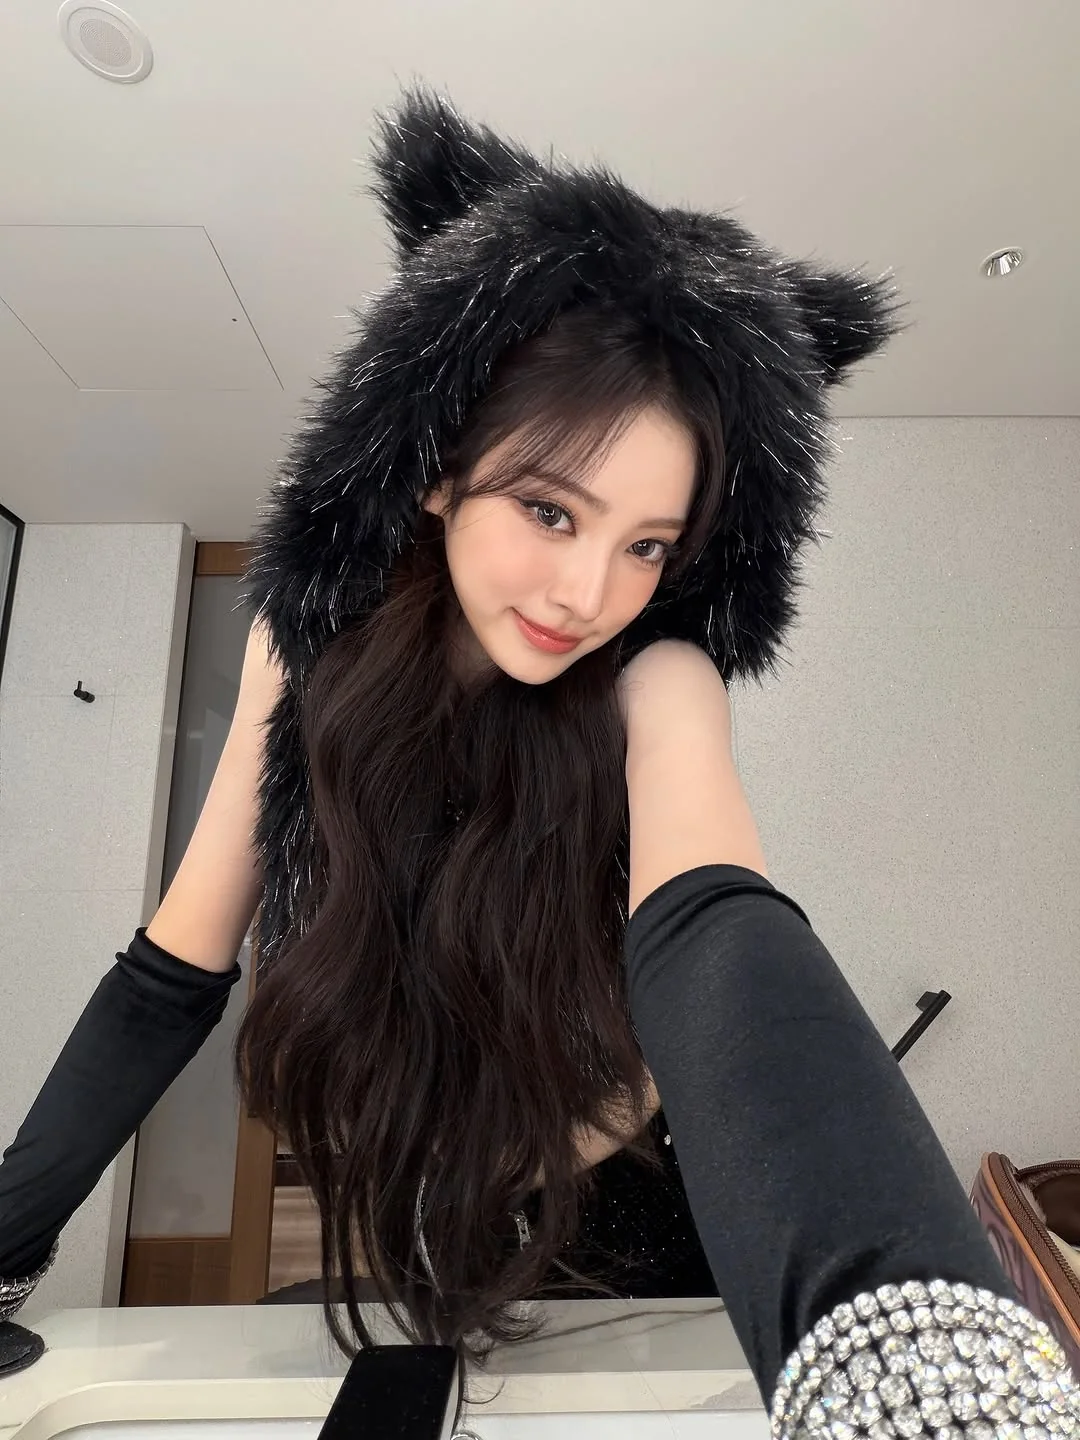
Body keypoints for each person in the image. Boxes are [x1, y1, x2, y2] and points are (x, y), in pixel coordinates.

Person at [2, 89, 1077, 1439]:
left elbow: (718, 935)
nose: (591, 592)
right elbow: (171, 975)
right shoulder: (306, 651)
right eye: (551, 509)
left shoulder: (658, 679)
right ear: (438, 469)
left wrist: (911, 1356)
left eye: (648, 546)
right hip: (413, 1211)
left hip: (634, 1231)